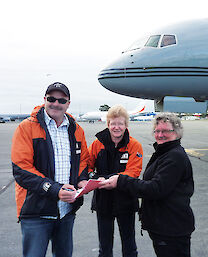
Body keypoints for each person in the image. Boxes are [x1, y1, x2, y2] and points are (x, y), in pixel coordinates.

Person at [98, 112, 195, 257]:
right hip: (165, 226)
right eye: (157, 131)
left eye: (165, 131)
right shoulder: (165, 152)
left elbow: (155, 188)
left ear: (177, 132)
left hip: (171, 228)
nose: (160, 135)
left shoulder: (174, 156)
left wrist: (120, 180)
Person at [11, 82, 90, 257]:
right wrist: (54, 190)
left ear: (68, 103)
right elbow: (21, 169)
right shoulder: (27, 127)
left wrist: (82, 179)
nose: (56, 103)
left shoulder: (76, 129)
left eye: (61, 100)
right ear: (44, 99)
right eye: (51, 99)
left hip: (66, 211)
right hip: (36, 212)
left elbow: (83, 161)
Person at [88, 105, 143, 257]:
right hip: (103, 201)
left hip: (126, 200)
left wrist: (113, 180)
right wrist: (93, 177)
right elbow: (86, 165)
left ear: (126, 125)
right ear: (108, 124)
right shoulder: (97, 144)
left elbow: (133, 172)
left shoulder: (134, 145)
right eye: (113, 123)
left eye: (120, 124)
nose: (116, 127)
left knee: (129, 244)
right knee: (104, 247)